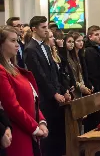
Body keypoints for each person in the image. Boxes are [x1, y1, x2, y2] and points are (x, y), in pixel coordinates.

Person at [0, 26, 49, 156]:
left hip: (29, 128)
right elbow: (11, 106)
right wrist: (34, 127)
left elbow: (33, 99)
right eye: (12, 41)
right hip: (18, 132)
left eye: (17, 40)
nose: (17, 45)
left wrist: (41, 121)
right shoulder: (1, 71)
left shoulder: (14, 69)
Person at [24, 16, 66, 156]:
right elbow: (39, 75)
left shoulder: (46, 47)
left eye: (47, 27)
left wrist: (61, 91)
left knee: (57, 132)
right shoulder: (30, 49)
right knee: (48, 136)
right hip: (44, 97)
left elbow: (53, 72)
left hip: (54, 96)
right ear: (34, 29)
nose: (46, 30)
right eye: (43, 27)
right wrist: (54, 93)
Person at [67, 33, 91, 98]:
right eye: (78, 41)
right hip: (74, 87)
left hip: (81, 85)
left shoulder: (80, 55)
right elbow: (73, 75)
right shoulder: (69, 57)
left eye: (82, 40)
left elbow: (82, 73)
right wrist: (80, 86)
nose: (81, 43)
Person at [84, 25, 100, 92]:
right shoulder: (89, 50)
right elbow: (93, 71)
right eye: (96, 35)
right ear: (90, 37)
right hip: (96, 86)